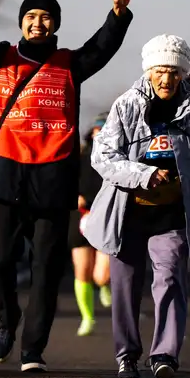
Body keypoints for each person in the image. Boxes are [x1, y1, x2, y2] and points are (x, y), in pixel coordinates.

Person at [0, 0, 133, 372]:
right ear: (23, 23)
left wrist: (118, 12)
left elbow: (101, 46)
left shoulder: (70, 64)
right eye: (31, 17)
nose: (38, 23)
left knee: (47, 269)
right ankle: (7, 320)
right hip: (5, 172)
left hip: (52, 177)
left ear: (55, 26)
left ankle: (33, 349)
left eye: (46, 17)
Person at [85, 34, 190, 378]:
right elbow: (102, 157)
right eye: (160, 71)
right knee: (125, 286)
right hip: (128, 210)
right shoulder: (127, 105)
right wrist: (144, 174)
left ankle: (164, 356)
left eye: (174, 72)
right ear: (148, 71)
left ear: (183, 75)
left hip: (172, 213)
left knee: (171, 278)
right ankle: (127, 356)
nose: (166, 79)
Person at [68, 113, 112, 337]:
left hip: (106, 216)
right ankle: (87, 317)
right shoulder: (79, 156)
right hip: (80, 216)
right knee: (82, 270)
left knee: (101, 275)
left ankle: (105, 284)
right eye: (97, 130)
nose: (100, 134)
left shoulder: (116, 157)